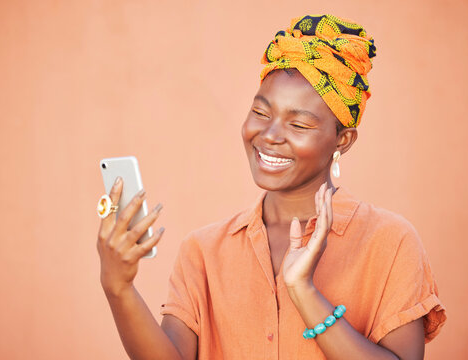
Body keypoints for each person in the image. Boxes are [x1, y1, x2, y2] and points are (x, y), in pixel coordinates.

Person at [96, 14, 446, 360]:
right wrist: (119, 288)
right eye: (261, 113)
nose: (269, 135)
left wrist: (304, 292)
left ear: (343, 140)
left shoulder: (390, 242)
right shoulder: (203, 252)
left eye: (298, 124)